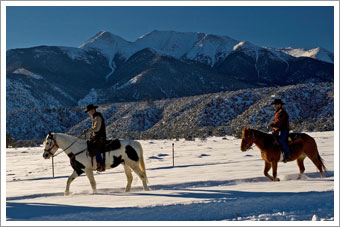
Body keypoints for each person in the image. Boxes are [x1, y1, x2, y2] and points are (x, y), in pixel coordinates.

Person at [83, 104, 107, 171]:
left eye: (89, 111)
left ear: (93, 110)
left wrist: (88, 130)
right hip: (97, 136)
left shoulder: (97, 117)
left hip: (100, 137)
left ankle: (100, 164)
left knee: (95, 147)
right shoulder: (95, 117)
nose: (88, 113)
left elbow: (97, 129)